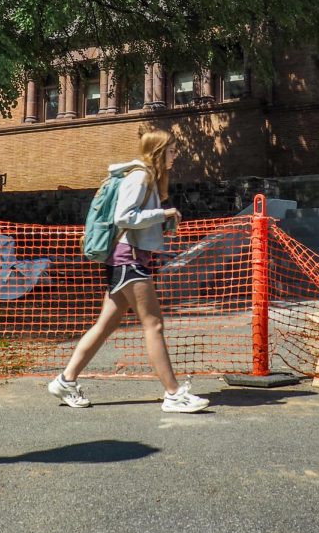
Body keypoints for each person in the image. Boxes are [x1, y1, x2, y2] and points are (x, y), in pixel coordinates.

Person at [48, 130, 210, 413]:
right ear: (159, 151)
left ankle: (66, 380)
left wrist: (162, 220)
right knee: (154, 324)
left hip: (126, 258)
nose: (175, 155)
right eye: (172, 150)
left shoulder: (146, 177)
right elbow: (124, 216)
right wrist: (164, 214)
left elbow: (135, 218)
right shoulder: (141, 176)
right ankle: (173, 395)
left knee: (106, 325)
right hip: (128, 260)